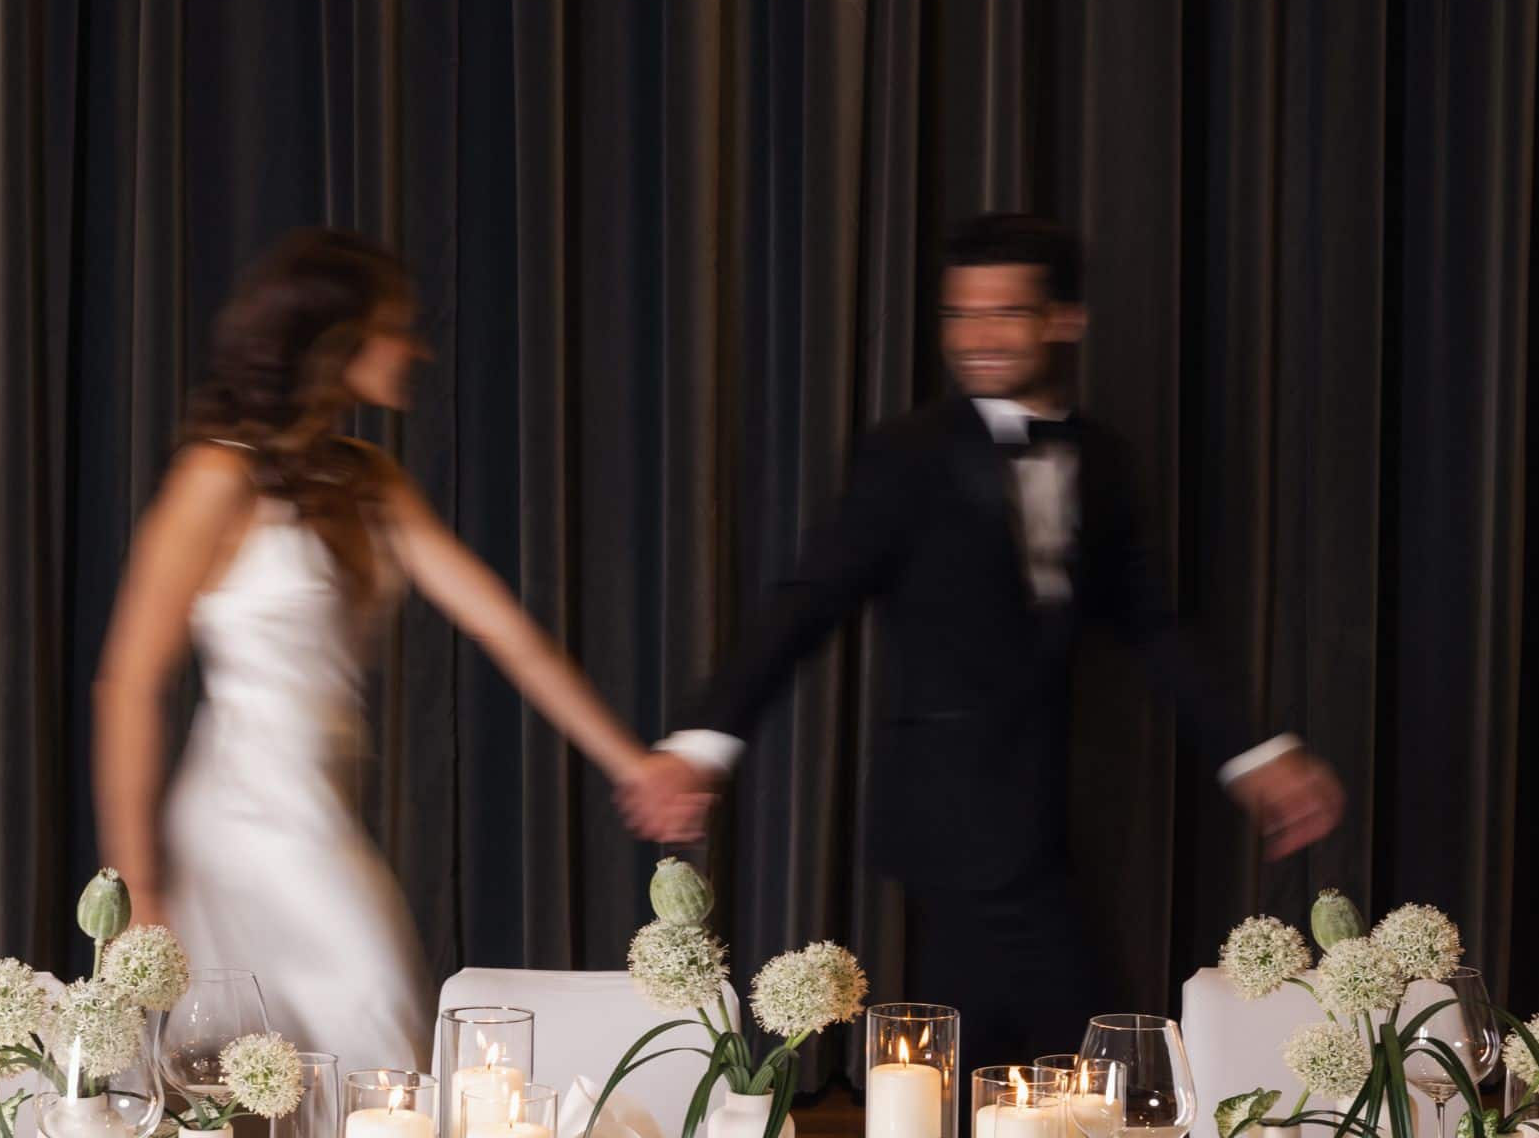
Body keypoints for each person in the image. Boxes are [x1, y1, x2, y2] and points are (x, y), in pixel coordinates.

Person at [619, 212, 1346, 1067]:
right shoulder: (907, 456)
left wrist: (1253, 752)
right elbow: (806, 604)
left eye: (1005, 312)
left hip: (1060, 814)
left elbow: (1153, 622)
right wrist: (704, 743)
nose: (976, 339)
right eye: (961, 315)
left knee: (996, 1061)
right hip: (951, 815)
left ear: (1063, 319)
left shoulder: (1102, 461)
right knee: (1076, 1049)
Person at [92, 228, 657, 1072]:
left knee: (300, 1082)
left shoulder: (367, 479)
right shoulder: (215, 480)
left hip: (316, 814)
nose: (416, 348)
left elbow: (506, 629)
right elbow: (128, 685)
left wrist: (633, 766)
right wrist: (140, 890)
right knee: (374, 1044)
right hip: (245, 822)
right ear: (334, 341)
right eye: (397, 327)